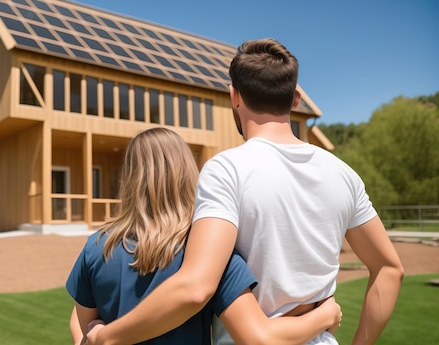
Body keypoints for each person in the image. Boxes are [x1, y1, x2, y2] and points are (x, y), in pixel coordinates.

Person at [85, 38, 404, 345]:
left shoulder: (227, 170)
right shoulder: (344, 174)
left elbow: (196, 288)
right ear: (294, 99)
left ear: (234, 95)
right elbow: (389, 268)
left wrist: (107, 337)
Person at [67, 127, 342, 345]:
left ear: (129, 177)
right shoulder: (207, 251)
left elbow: (81, 323)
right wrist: (323, 315)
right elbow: (260, 336)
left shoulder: (98, 246)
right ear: (188, 172)